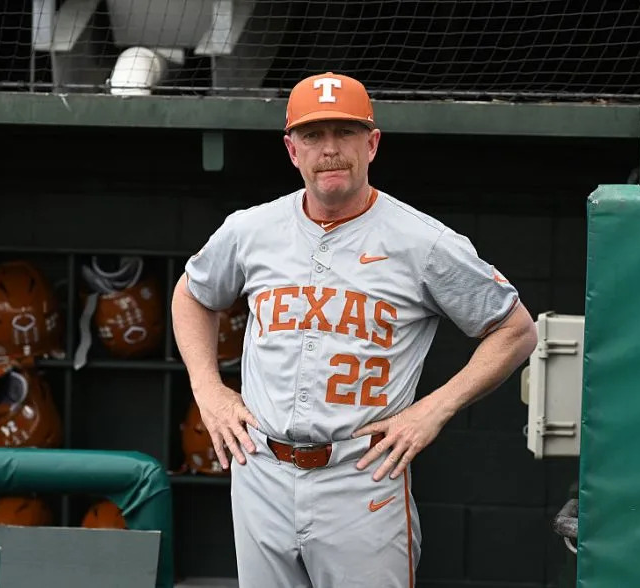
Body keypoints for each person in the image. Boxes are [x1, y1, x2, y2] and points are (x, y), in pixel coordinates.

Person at [171, 71, 538, 588]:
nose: (330, 150)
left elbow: (515, 330)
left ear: (372, 144)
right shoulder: (249, 230)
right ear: (292, 150)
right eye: (313, 136)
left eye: (344, 133)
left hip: (361, 475)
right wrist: (208, 389)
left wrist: (434, 409)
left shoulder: (423, 241)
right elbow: (192, 293)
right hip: (262, 471)